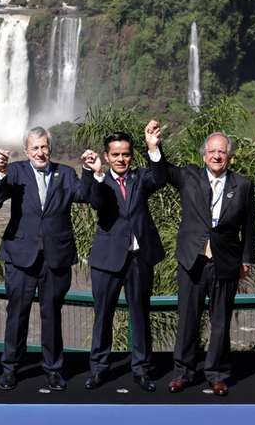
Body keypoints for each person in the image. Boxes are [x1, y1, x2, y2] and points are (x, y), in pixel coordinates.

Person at [146, 121, 255, 397]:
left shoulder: (243, 185)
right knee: (187, 320)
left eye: (222, 152)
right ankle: (183, 373)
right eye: (212, 151)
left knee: (220, 321)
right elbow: (163, 172)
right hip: (192, 260)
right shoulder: (189, 176)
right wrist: (153, 147)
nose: (217, 156)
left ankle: (217, 374)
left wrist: (247, 260)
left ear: (229, 156)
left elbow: (250, 227)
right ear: (203, 155)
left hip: (226, 262)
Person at [0, 126, 89, 392]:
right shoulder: (15, 171)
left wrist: (89, 171)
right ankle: (9, 369)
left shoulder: (65, 173)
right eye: (35, 148)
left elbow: (84, 196)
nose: (40, 152)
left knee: (52, 315)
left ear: (50, 148)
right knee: (16, 314)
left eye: (44, 147)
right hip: (20, 255)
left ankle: (53, 369)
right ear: (26, 151)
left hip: (56, 256)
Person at [79, 129, 165, 392]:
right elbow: (95, 201)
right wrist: (96, 173)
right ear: (107, 156)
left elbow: (160, 178)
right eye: (115, 154)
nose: (120, 159)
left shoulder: (141, 178)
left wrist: (153, 147)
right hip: (107, 260)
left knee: (140, 315)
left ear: (131, 156)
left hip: (139, 258)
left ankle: (141, 369)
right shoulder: (100, 180)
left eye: (125, 154)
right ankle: (99, 369)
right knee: (102, 316)